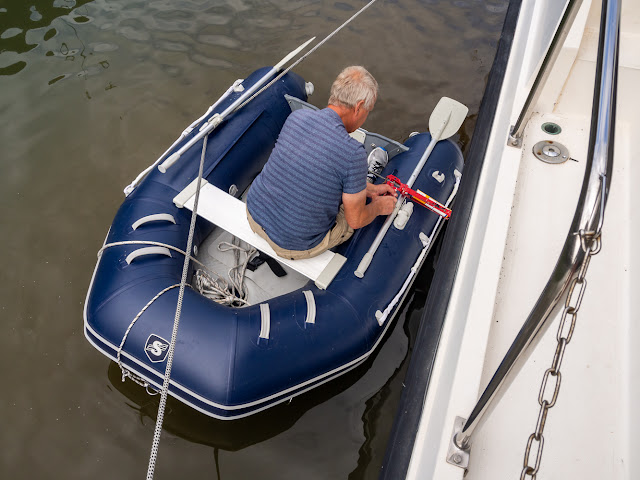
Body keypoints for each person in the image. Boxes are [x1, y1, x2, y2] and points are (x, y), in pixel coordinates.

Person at [246, 66, 397, 260]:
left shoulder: (296, 117)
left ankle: (357, 185)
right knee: (349, 214)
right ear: (358, 107)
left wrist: (368, 189)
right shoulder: (353, 153)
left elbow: (309, 168)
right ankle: (356, 186)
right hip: (293, 244)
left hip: (254, 214)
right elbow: (356, 220)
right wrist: (378, 207)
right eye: (368, 110)